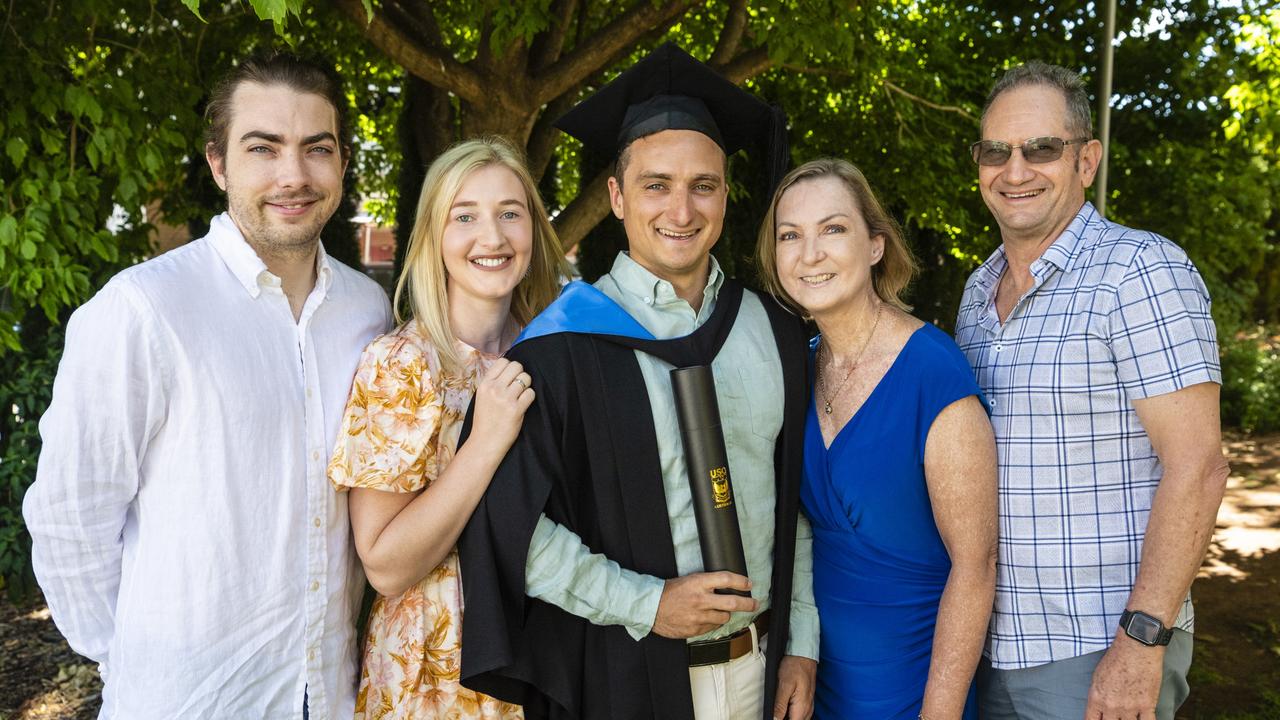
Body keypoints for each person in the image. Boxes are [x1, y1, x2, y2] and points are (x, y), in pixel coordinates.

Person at [22, 51, 391, 719]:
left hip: (331, 696)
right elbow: (70, 519)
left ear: (340, 163)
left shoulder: (368, 312)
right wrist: (138, 658)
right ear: (219, 163)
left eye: (317, 148)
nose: (294, 175)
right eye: (263, 148)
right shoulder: (144, 310)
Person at [456, 43, 819, 720]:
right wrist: (646, 604)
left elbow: (795, 496)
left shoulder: (772, 330)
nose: (681, 210)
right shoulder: (559, 348)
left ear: (725, 195)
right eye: (656, 185)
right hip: (625, 679)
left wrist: (801, 641)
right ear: (617, 196)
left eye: (702, 185)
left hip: (761, 673)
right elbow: (512, 526)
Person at [955, 60, 1230, 720]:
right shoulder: (974, 293)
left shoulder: (1140, 270)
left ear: (1087, 159)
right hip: (988, 642)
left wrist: (1142, 639)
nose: (1014, 169)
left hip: (1097, 646)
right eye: (996, 150)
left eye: (1041, 148)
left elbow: (1198, 466)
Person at [327, 137, 567, 719]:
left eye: (511, 213)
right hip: (439, 677)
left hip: (544, 653)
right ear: (435, 235)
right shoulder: (404, 363)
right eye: (466, 216)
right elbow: (384, 564)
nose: (493, 237)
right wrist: (484, 444)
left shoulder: (554, 352)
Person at [756, 158, 997, 719]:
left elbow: (976, 563)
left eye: (833, 229)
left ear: (875, 246)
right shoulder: (799, 371)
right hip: (816, 680)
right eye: (790, 235)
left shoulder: (932, 372)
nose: (809, 253)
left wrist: (938, 712)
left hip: (915, 681)